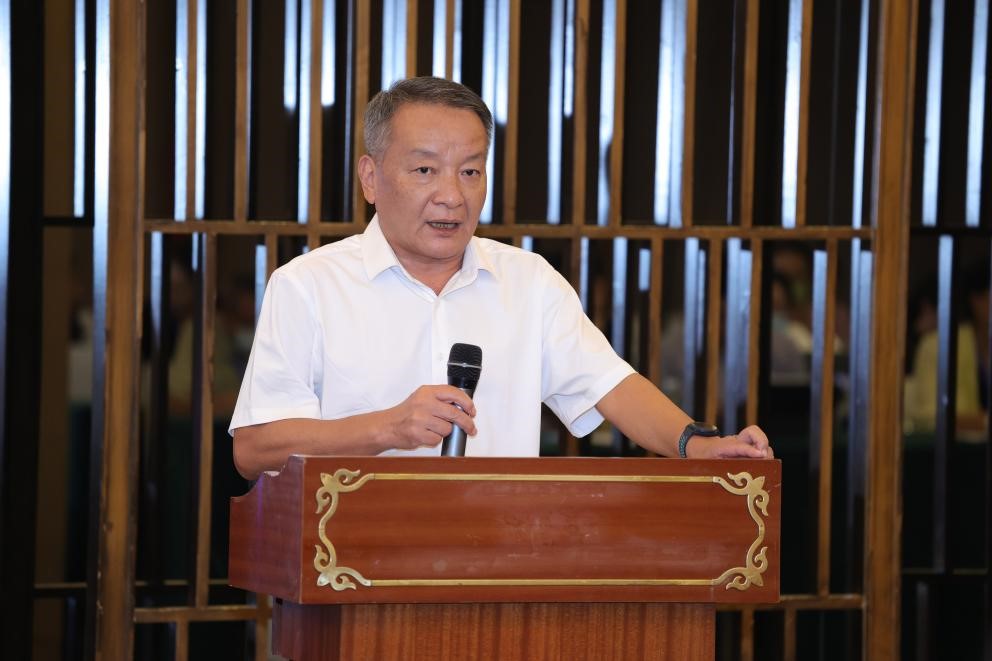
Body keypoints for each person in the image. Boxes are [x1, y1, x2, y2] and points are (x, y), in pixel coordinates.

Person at [229, 76, 773, 480]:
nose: (452, 195)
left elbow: (610, 386)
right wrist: (387, 428)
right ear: (370, 178)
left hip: (499, 564)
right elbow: (254, 449)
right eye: (425, 170)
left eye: (470, 171)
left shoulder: (528, 282)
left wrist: (696, 445)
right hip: (346, 570)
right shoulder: (308, 286)